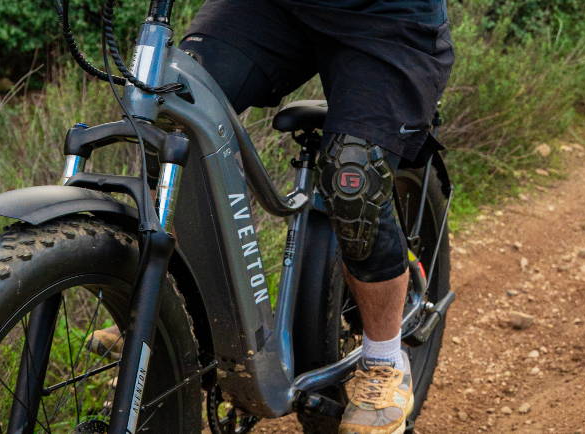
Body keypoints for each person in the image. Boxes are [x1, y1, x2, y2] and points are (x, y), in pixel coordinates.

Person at [92, 0, 454, 431]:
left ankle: (383, 361)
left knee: (354, 179)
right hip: (275, 8)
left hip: (387, 19)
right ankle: (172, 307)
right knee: (172, 110)